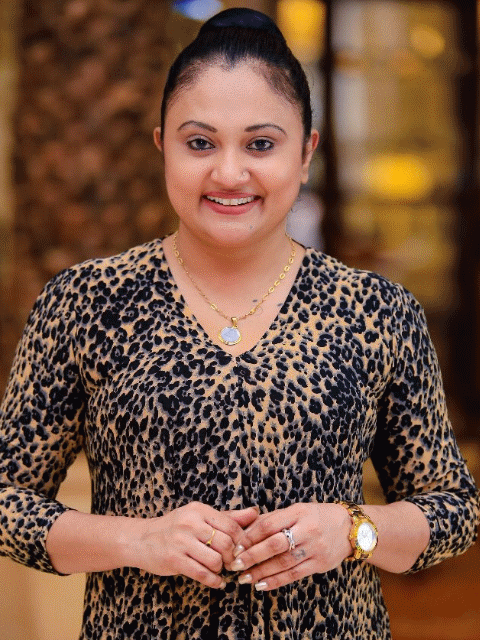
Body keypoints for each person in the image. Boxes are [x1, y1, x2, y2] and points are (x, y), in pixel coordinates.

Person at [0, 7, 478, 640]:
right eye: (199, 143)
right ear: (161, 145)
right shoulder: (86, 303)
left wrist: (352, 530)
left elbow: (452, 510)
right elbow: (6, 500)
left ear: (306, 152)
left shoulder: (377, 310)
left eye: (261, 144)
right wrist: (137, 540)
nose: (229, 173)